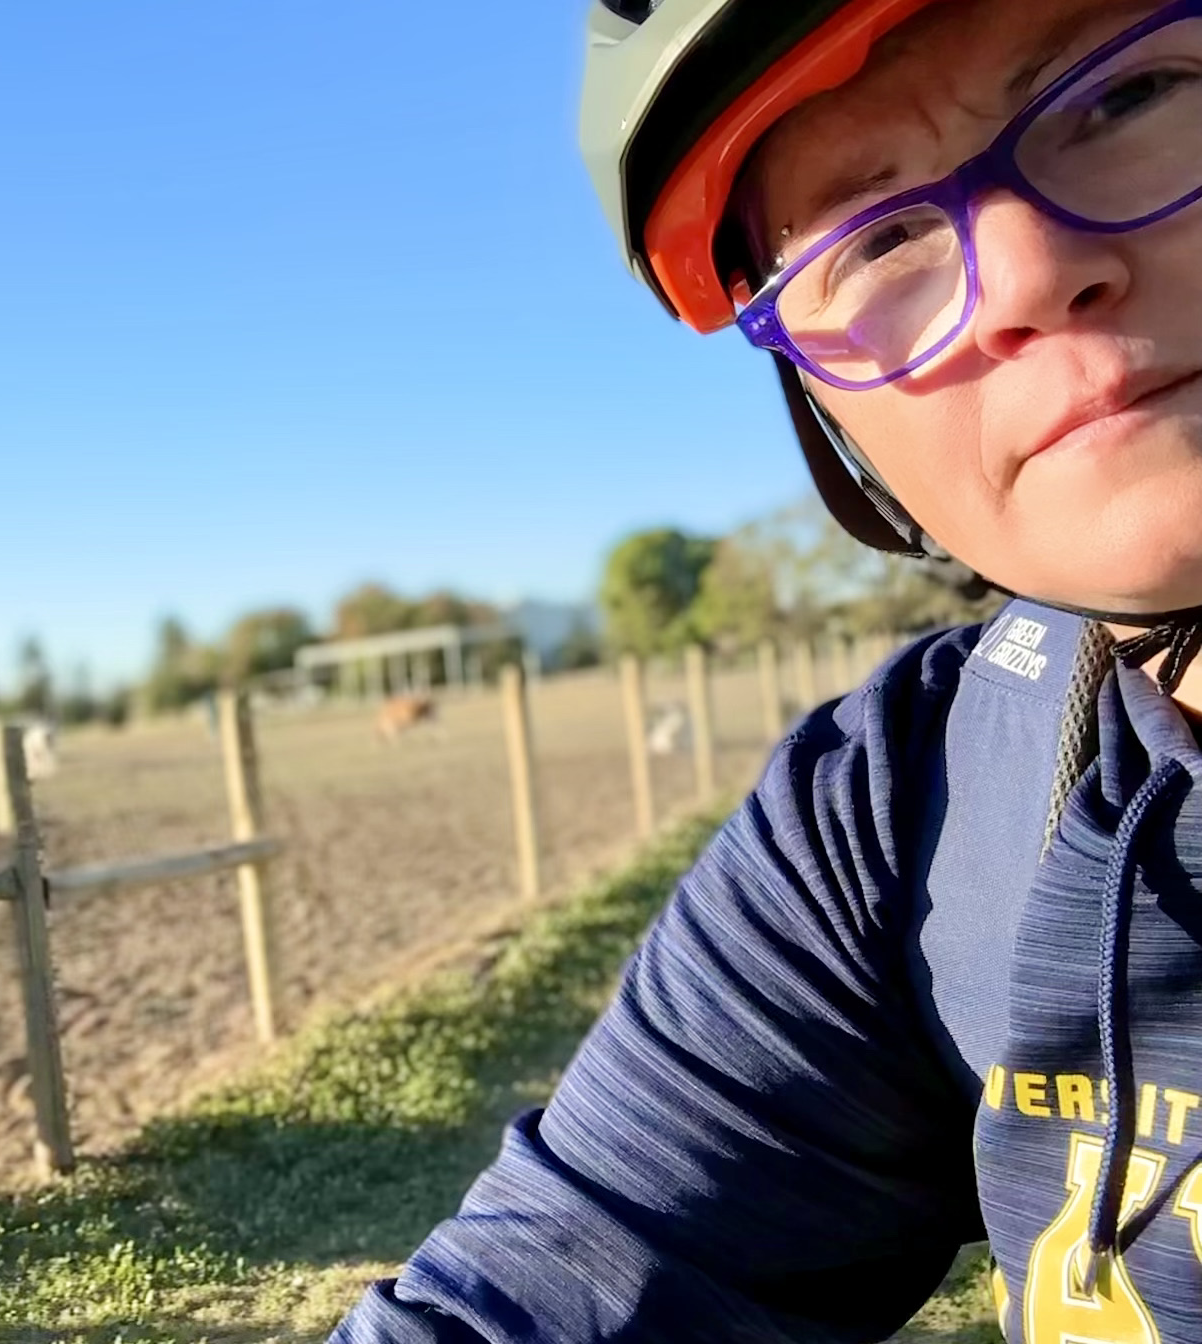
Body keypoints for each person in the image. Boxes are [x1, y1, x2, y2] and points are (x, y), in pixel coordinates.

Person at [330, 0, 1202, 1338]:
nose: (1027, 275)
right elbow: (574, 1275)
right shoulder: (914, 813)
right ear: (830, 419)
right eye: (876, 240)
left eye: (1128, 98)